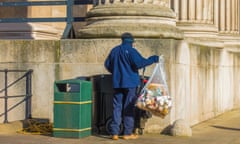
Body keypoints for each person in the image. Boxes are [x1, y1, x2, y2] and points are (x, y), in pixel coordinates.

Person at [104, 32, 159, 140]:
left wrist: (116, 72)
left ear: (122, 40)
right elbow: (139, 63)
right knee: (128, 107)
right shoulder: (132, 51)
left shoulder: (114, 51)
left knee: (117, 107)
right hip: (130, 83)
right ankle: (127, 133)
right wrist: (152, 59)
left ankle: (114, 133)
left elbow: (107, 64)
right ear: (131, 42)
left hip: (117, 83)